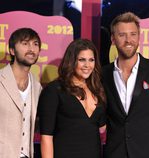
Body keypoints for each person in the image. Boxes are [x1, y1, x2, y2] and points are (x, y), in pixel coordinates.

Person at [38, 39, 106, 158]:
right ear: (71, 61)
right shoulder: (54, 90)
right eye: (81, 60)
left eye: (91, 60)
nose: (87, 65)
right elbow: (46, 137)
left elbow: (101, 127)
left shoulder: (98, 90)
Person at [102, 12, 149, 158]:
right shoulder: (102, 74)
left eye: (133, 34)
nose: (128, 40)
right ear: (113, 39)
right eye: (122, 35)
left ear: (139, 37)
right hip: (115, 152)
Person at [0, 28, 42, 158]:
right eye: (25, 43)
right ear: (12, 50)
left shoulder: (37, 86)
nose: (31, 49)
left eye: (35, 44)